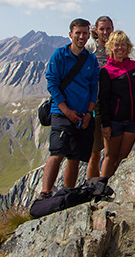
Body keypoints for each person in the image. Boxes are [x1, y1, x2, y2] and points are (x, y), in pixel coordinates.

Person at [41, 18, 100, 198]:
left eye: (84, 33)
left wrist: (89, 113)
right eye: (78, 33)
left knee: (75, 157)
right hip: (61, 113)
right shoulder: (59, 55)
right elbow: (52, 83)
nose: (81, 37)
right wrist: (66, 111)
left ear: (89, 35)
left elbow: (93, 88)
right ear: (70, 34)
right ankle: (45, 193)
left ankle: (68, 192)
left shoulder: (90, 59)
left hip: (83, 115)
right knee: (57, 153)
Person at [98, 30, 135, 179]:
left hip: (133, 121)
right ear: (110, 47)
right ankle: (103, 187)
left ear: (128, 47)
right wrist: (105, 124)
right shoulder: (106, 71)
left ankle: (116, 187)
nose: (120, 48)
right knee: (110, 156)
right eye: (116, 45)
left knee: (123, 157)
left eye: (123, 45)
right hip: (114, 122)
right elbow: (104, 99)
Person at [85, 15, 114, 180]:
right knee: (95, 153)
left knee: (110, 152)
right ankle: (91, 187)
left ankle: (106, 185)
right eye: (102, 29)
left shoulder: (115, 48)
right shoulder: (89, 49)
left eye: (108, 28)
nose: (105, 32)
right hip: (94, 105)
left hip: (111, 104)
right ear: (95, 30)